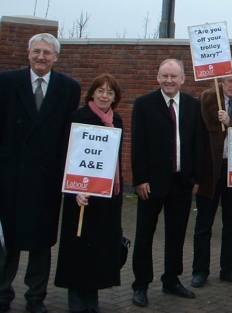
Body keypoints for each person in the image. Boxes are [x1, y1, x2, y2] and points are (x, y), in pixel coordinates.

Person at [0, 33, 81, 313]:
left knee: (41, 243)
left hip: (47, 180)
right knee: (7, 241)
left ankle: (36, 298)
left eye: (47, 52)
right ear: (28, 53)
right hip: (10, 178)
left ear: (56, 57)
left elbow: (70, 134)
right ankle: (2, 295)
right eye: (37, 51)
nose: (41, 57)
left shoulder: (69, 88)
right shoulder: (7, 83)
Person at [131, 59, 201, 305]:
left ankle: (171, 279)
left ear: (183, 79)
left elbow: (197, 144)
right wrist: (139, 179)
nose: (169, 80)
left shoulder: (194, 105)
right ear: (158, 77)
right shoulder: (143, 104)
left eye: (174, 76)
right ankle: (140, 284)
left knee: (177, 234)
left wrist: (195, 179)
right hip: (151, 184)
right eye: (164, 76)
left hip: (181, 183)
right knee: (144, 236)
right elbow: (138, 144)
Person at [54, 74, 123, 313]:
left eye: (110, 92)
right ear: (92, 93)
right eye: (101, 91)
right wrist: (75, 191)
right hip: (80, 196)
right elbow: (67, 155)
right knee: (78, 250)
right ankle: (76, 300)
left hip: (106, 197)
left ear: (115, 97)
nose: (105, 95)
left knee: (97, 252)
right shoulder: (78, 117)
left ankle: (91, 299)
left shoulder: (117, 121)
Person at [191, 63, 232, 288]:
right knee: (203, 225)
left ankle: (229, 268)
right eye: (230, 81)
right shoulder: (206, 100)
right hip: (209, 172)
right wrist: (195, 177)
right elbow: (195, 140)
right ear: (222, 81)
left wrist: (231, 122)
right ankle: (200, 271)